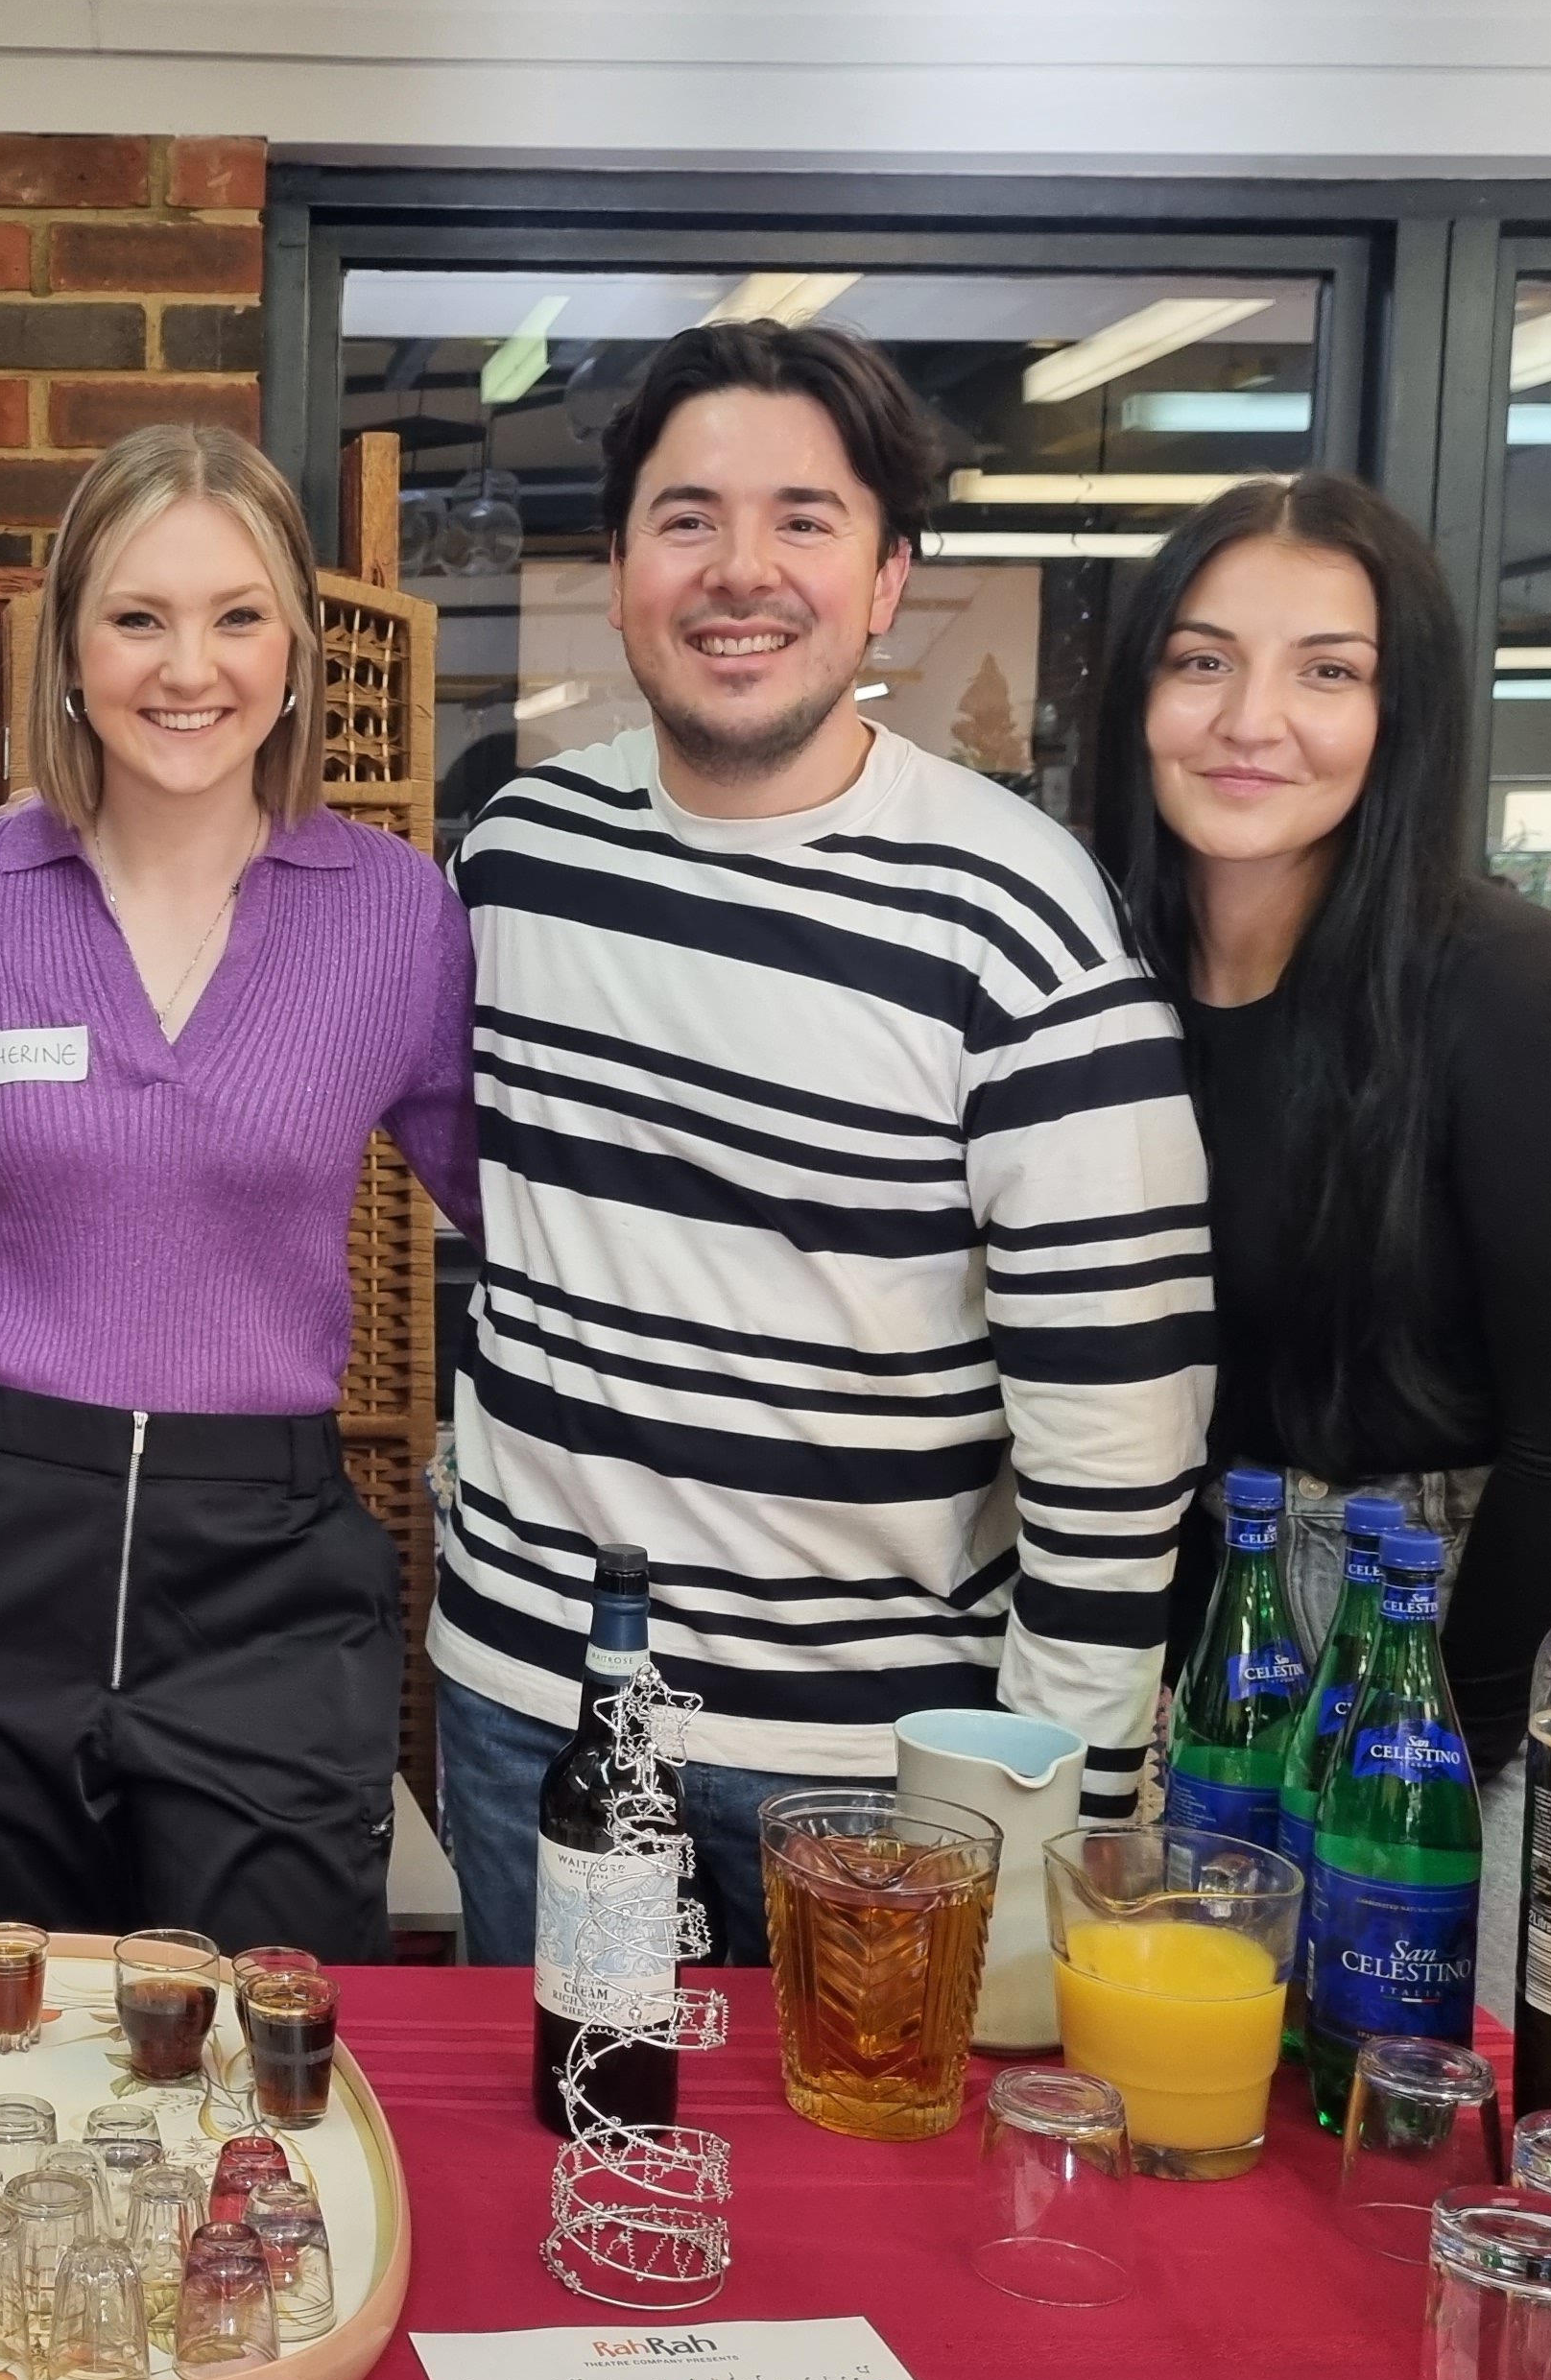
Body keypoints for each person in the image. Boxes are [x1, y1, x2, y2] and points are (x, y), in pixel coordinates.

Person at [431, 321, 1214, 1967]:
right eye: (687, 516)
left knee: (874, 2212)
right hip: (532, 1705)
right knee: (568, 2181)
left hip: (874, 1779)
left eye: (804, 519)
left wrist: (1055, 1804)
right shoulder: (515, 858)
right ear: (624, 564)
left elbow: (1120, 1437)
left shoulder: (1016, 917)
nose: (741, 571)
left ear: (885, 583)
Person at [1085, 472, 1551, 2015]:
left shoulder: (1510, 993)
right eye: (1200, 660)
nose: (1249, 719)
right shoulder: (1092, 986)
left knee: (1507, 2120)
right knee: (1267, 2090)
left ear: (1397, 713)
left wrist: (1409, 1760)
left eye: (1326, 670)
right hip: (1278, 1601)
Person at [0, 425, 475, 1964]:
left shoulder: (398, 916)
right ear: (69, 642)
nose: (187, 667)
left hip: (268, 1567)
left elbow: (532, 1229)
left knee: (254, 2076)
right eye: (138, 617)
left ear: (297, 648)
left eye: (236, 616)